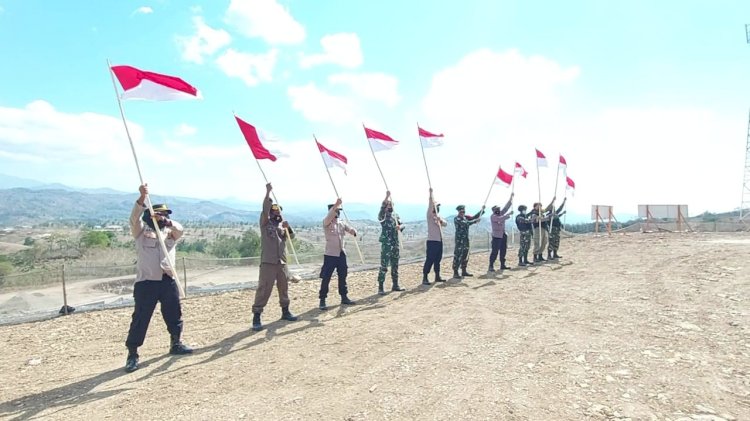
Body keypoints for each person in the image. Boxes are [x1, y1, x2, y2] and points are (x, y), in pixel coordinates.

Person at [124, 184, 192, 373]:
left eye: (166, 215)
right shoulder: (141, 232)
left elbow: (181, 229)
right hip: (147, 282)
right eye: (160, 214)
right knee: (141, 318)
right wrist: (141, 199)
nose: (164, 218)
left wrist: (167, 223)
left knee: (174, 313)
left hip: (167, 280)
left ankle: (175, 343)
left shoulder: (170, 234)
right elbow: (133, 219)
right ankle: (132, 354)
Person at [251, 183, 298, 332]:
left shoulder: (280, 227)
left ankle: (285, 311)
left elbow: (291, 237)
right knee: (264, 289)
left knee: (284, 287)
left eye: (278, 212)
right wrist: (267, 193)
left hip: (281, 263)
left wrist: (287, 227)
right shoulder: (265, 225)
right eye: (274, 212)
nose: (276, 215)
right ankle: (257, 316)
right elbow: (264, 212)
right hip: (268, 263)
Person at [319, 198, 357, 310]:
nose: (337, 212)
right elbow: (328, 217)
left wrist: (353, 231)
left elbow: (349, 229)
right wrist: (336, 205)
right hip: (330, 254)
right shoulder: (326, 222)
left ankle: (344, 296)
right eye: (335, 210)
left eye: (338, 210)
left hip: (341, 253)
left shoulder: (341, 222)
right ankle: (322, 299)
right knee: (326, 277)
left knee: (343, 275)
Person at [376, 191, 405, 295]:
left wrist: (399, 227)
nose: (390, 206)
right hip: (387, 245)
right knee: (384, 266)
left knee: (395, 265)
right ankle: (380, 287)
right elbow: (380, 213)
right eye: (388, 205)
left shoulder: (396, 216)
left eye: (391, 204)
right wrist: (386, 197)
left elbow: (402, 225)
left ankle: (395, 285)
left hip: (395, 244)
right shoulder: (383, 217)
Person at [452, 204, 485, 278]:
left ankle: (464, 270)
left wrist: (482, 211)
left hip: (466, 240)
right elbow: (466, 223)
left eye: (463, 211)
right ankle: (455, 272)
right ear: (458, 211)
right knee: (458, 255)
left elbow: (473, 217)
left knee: (465, 255)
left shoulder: (465, 217)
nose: (462, 213)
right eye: (461, 211)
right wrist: (475, 221)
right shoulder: (457, 219)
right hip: (459, 240)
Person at [422, 188, 448, 285]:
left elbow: (445, 224)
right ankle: (425, 276)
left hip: (439, 240)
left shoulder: (439, 216)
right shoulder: (429, 215)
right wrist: (430, 194)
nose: (437, 208)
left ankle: (437, 276)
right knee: (430, 259)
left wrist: (440, 221)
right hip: (432, 241)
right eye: (436, 206)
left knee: (438, 259)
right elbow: (429, 204)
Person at [488, 193, 514, 272]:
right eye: (497, 209)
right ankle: (491, 265)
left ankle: (502, 264)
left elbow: (506, 208)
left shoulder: (500, 213)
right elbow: (500, 219)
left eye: (499, 209)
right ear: (494, 210)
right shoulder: (493, 216)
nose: (499, 210)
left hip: (503, 235)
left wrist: (510, 199)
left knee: (503, 250)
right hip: (496, 236)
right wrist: (508, 215)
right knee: (495, 251)